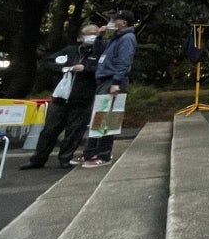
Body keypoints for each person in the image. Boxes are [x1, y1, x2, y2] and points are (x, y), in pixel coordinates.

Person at [21, 24, 105, 170]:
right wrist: (64, 68)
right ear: (82, 36)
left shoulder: (100, 53)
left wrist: (86, 68)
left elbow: (103, 69)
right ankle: (38, 159)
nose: (92, 37)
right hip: (61, 97)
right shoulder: (70, 50)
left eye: (95, 34)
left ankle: (65, 158)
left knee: (74, 132)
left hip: (83, 98)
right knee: (49, 130)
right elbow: (49, 62)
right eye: (89, 34)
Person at [81, 10, 138, 168]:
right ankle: (91, 153)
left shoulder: (127, 38)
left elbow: (124, 61)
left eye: (114, 19)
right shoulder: (115, 37)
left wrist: (116, 82)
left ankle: (103, 154)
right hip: (105, 80)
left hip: (113, 80)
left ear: (123, 23)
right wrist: (99, 36)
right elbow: (99, 52)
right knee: (99, 118)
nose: (111, 21)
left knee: (109, 118)